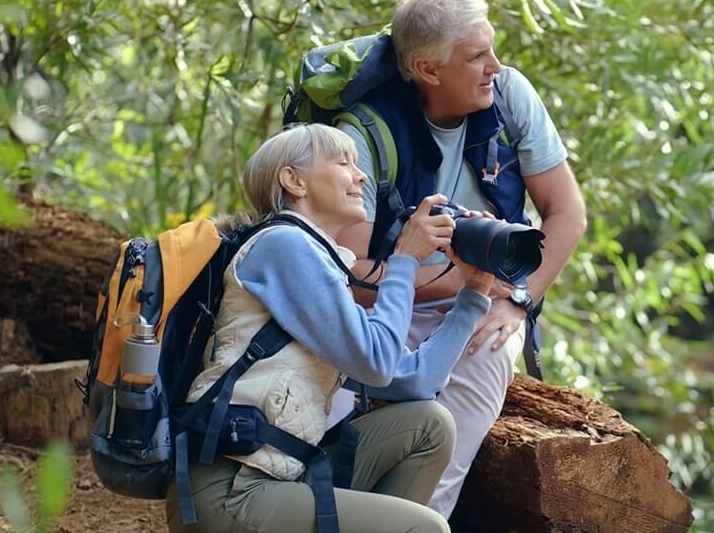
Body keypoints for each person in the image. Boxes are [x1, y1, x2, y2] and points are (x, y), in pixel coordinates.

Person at [165, 123, 496, 533]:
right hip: (231, 491)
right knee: (425, 528)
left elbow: (413, 381)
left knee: (429, 424)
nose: (360, 175)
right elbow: (374, 361)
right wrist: (405, 259)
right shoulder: (283, 245)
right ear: (294, 181)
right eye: (343, 162)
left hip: (282, 476)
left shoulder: (320, 261)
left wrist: (475, 293)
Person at [336, 0, 588, 518]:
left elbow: (567, 214)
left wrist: (516, 300)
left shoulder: (510, 96)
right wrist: (454, 280)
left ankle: (419, 523)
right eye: (477, 56)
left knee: (484, 367)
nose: (494, 66)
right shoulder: (365, 135)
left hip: (481, 307)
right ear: (429, 69)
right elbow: (348, 275)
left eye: (491, 50)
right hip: (385, 304)